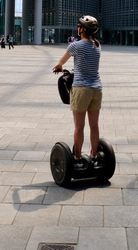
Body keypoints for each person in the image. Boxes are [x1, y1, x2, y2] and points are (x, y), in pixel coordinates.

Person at [53, 15, 103, 170]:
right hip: (97, 89)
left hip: (81, 89)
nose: (77, 28)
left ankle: (77, 157)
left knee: (79, 126)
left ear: (82, 29)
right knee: (94, 125)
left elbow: (62, 62)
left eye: (79, 26)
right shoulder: (97, 45)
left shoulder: (76, 45)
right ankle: (94, 156)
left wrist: (59, 67)